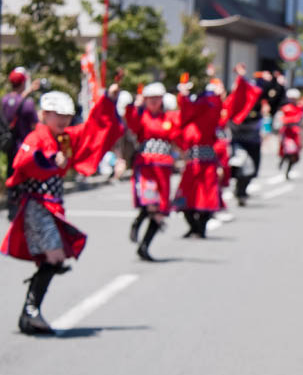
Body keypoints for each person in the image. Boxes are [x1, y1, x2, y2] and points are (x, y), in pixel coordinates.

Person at [2, 88, 123, 334]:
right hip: (37, 207)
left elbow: (92, 130)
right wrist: (48, 159)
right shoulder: (37, 137)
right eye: (57, 114)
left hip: (53, 207)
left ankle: (30, 313)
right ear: (44, 114)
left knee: (54, 259)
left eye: (67, 115)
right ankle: (30, 312)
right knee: (54, 258)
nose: (63, 120)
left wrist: (108, 100)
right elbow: (22, 162)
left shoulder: (65, 138)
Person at [125, 82, 181, 261]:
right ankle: (137, 224)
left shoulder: (168, 118)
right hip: (147, 167)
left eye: (157, 98)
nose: (154, 102)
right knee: (150, 202)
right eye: (151, 99)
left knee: (160, 211)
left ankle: (144, 246)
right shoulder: (142, 117)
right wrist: (132, 106)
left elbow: (178, 133)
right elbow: (132, 123)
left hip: (163, 169)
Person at [173, 79, 227, 238]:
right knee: (185, 199)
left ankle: (200, 228)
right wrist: (183, 94)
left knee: (207, 199)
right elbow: (184, 111)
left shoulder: (211, 118)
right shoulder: (188, 124)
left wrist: (217, 96)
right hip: (192, 165)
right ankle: (194, 227)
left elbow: (218, 109)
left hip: (207, 165)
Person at [226, 65, 264, 207]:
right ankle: (240, 192)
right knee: (244, 166)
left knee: (252, 170)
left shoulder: (256, 106)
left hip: (253, 142)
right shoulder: (233, 103)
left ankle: (241, 190)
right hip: (239, 142)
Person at [3, 68, 41, 200]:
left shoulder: (4, 101)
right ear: (24, 82)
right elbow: (36, 125)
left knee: (10, 173)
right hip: (25, 147)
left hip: (9, 144)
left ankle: (11, 199)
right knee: (24, 178)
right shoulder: (28, 104)